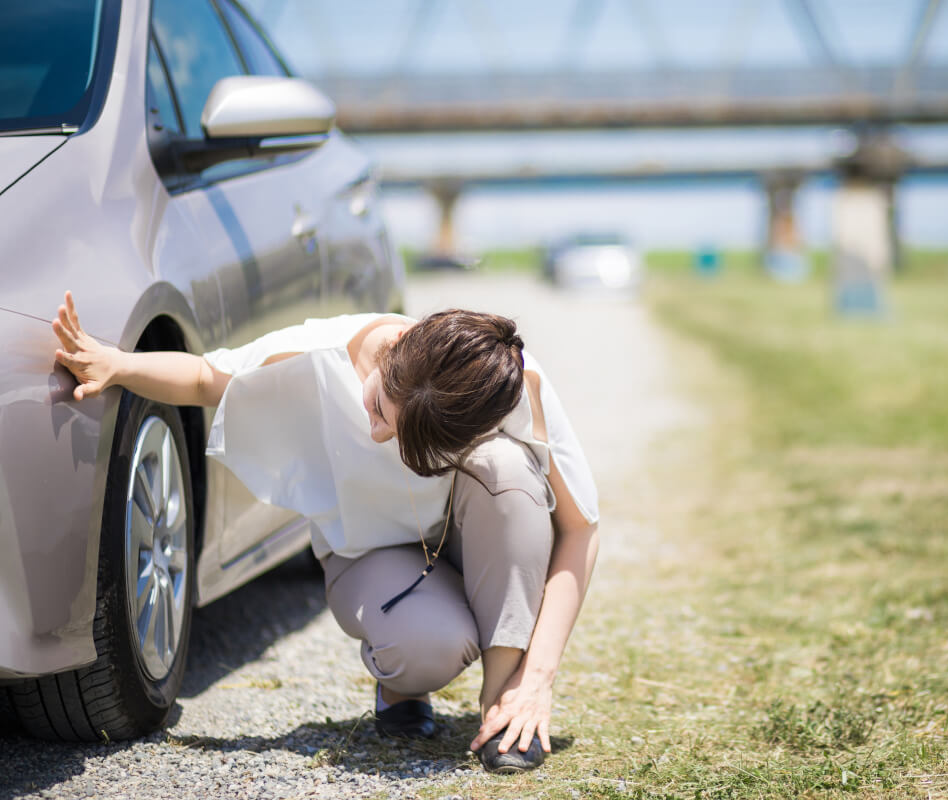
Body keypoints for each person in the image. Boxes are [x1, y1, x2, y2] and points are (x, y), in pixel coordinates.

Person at [50, 291, 600, 774]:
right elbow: (202, 377)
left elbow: (579, 532)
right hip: (374, 553)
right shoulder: (318, 352)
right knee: (428, 646)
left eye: (406, 436)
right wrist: (117, 365)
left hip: (472, 534)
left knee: (505, 468)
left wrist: (538, 679)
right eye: (381, 405)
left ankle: (504, 708)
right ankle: (402, 685)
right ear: (395, 350)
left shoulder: (505, 385)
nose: (378, 432)